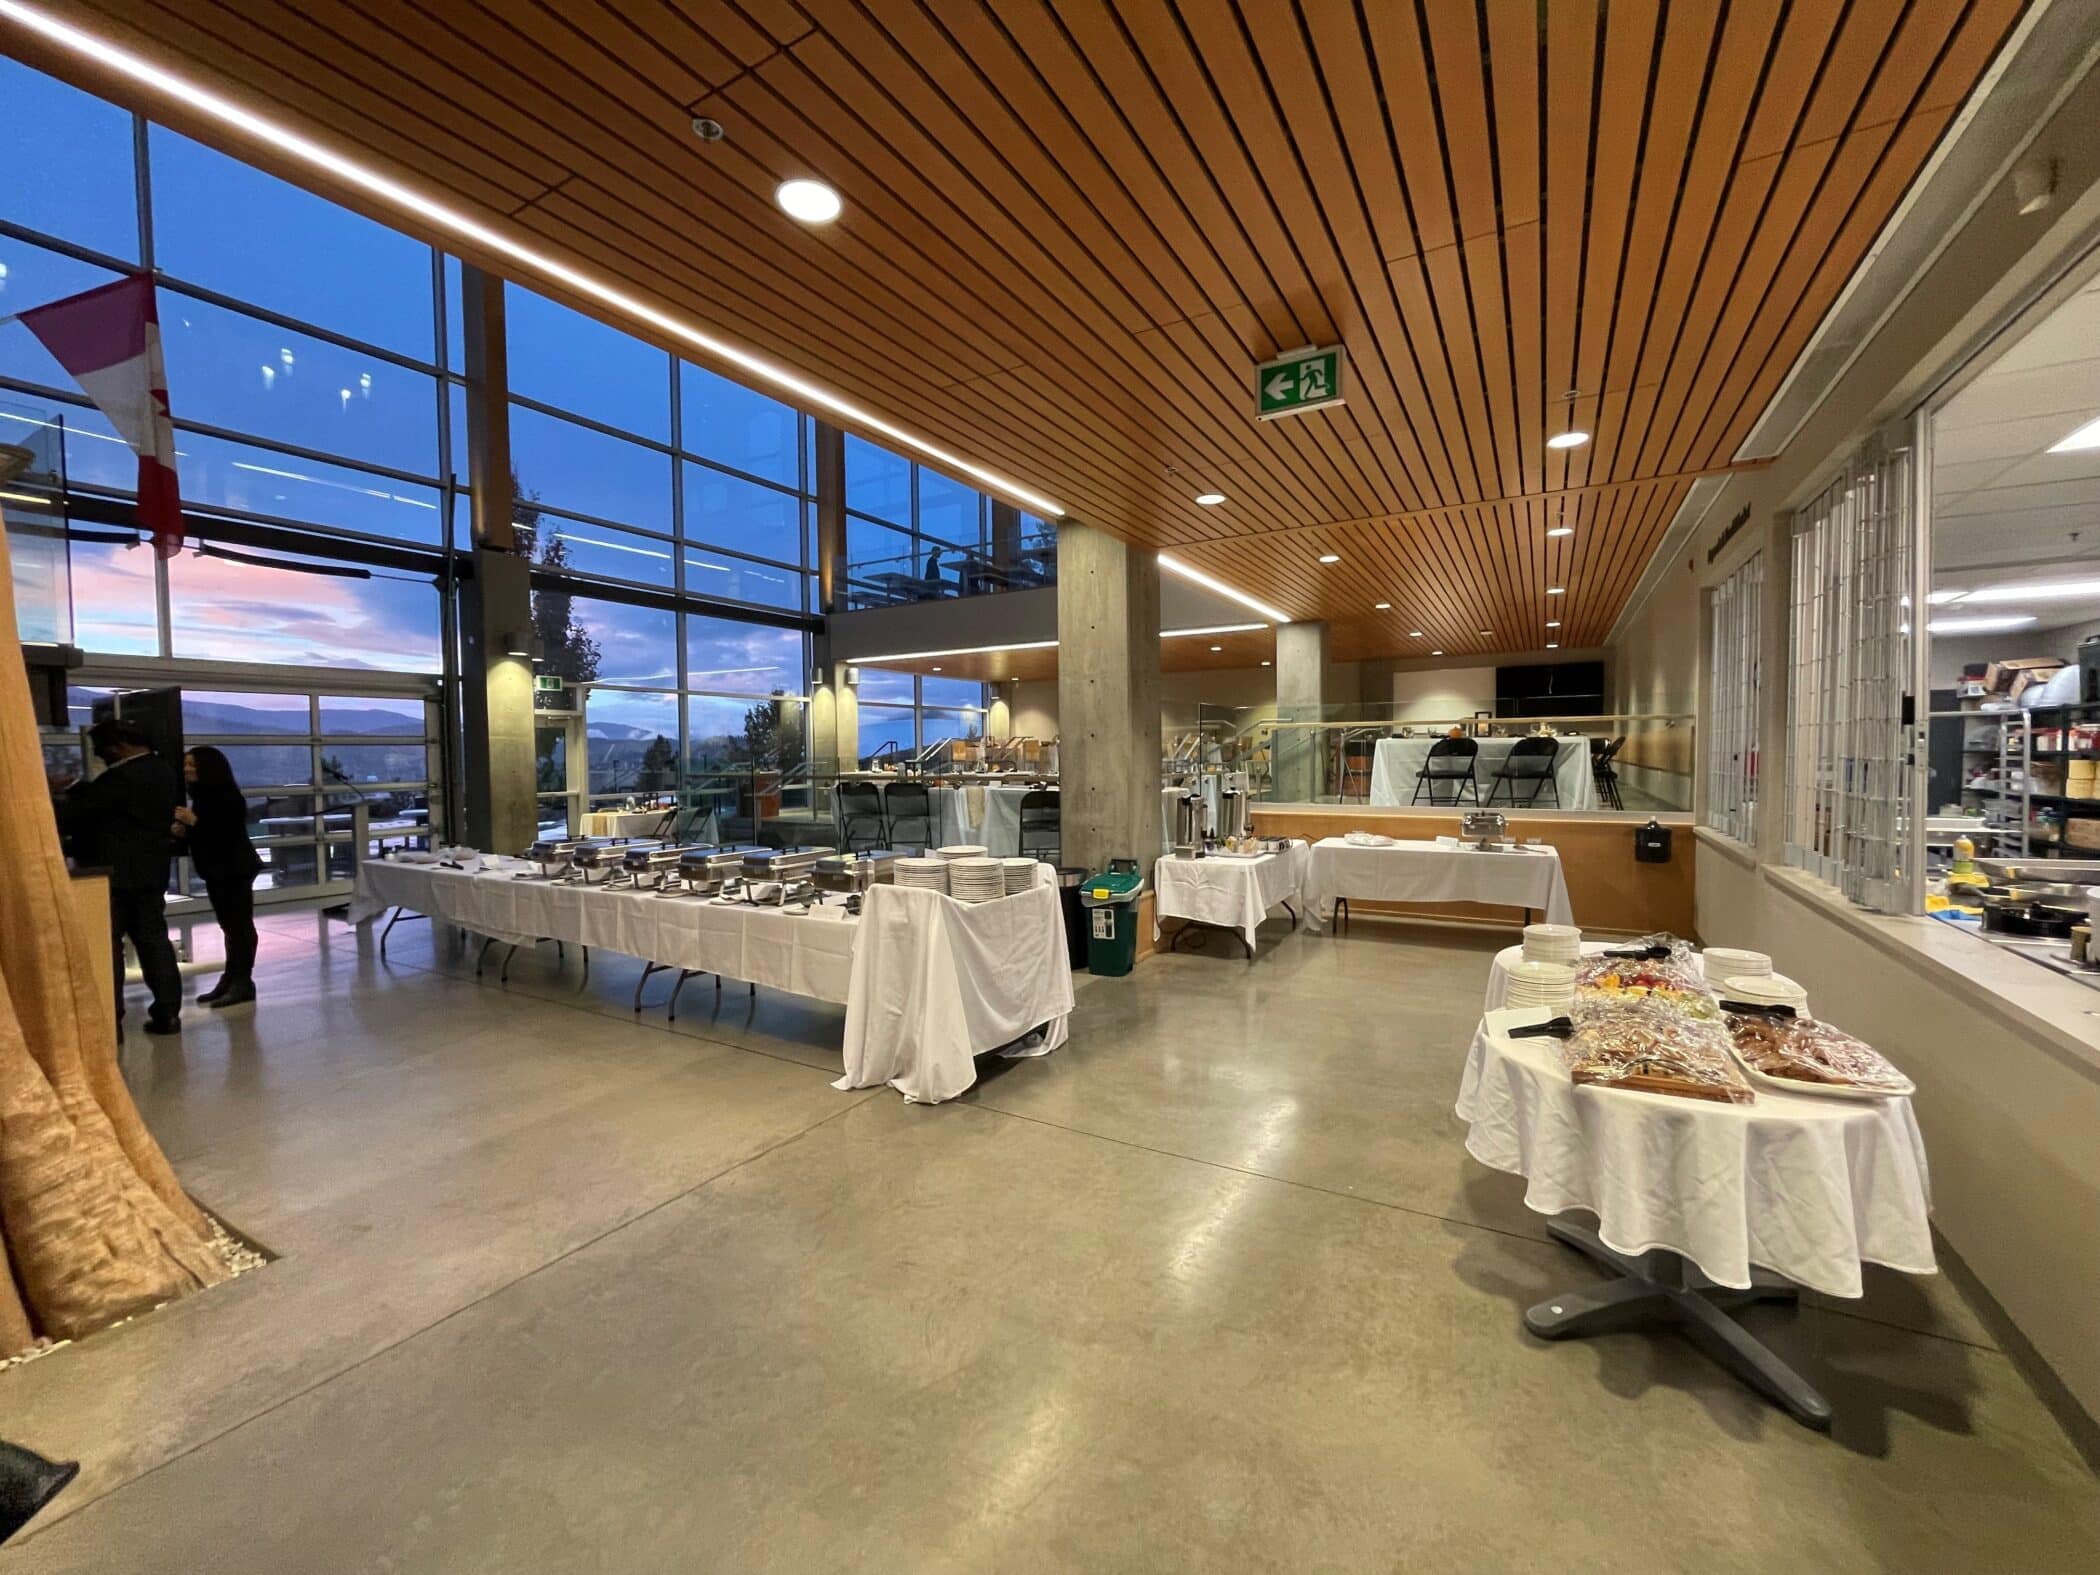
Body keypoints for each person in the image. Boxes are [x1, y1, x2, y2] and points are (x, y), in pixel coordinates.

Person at [64, 720, 183, 1035]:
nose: (101, 757)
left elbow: (84, 811)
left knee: (110, 945)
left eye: (102, 749)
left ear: (119, 745)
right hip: (151, 871)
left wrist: (69, 789)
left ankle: (110, 1018)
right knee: (155, 941)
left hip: (114, 876)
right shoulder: (163, 770)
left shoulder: (120, 777)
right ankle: (168, 1013)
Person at [172, 746, 261, 1008]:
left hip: (232, 869)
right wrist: (187, 830)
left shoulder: (226, 796)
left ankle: (242, 981)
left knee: (239, 927)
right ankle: (232, 978)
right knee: (231, 926)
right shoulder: (204, 796)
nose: (187, 769)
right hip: (220, 869)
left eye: (192, 764)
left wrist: (194, 822)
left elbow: (225, 833)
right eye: (186, 764)